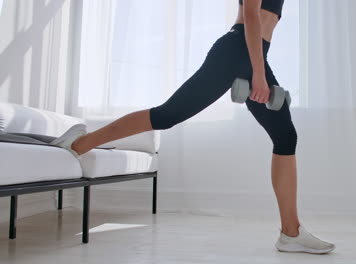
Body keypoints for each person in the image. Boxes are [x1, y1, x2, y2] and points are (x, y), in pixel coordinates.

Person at [52, 0, 335, 254]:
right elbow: (251, 14)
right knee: (166, 116)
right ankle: (81, 142)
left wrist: (258, 69)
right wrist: (258, 75)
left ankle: (291, 232)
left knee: (285, 135)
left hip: (251, 53)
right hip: (238, 51)